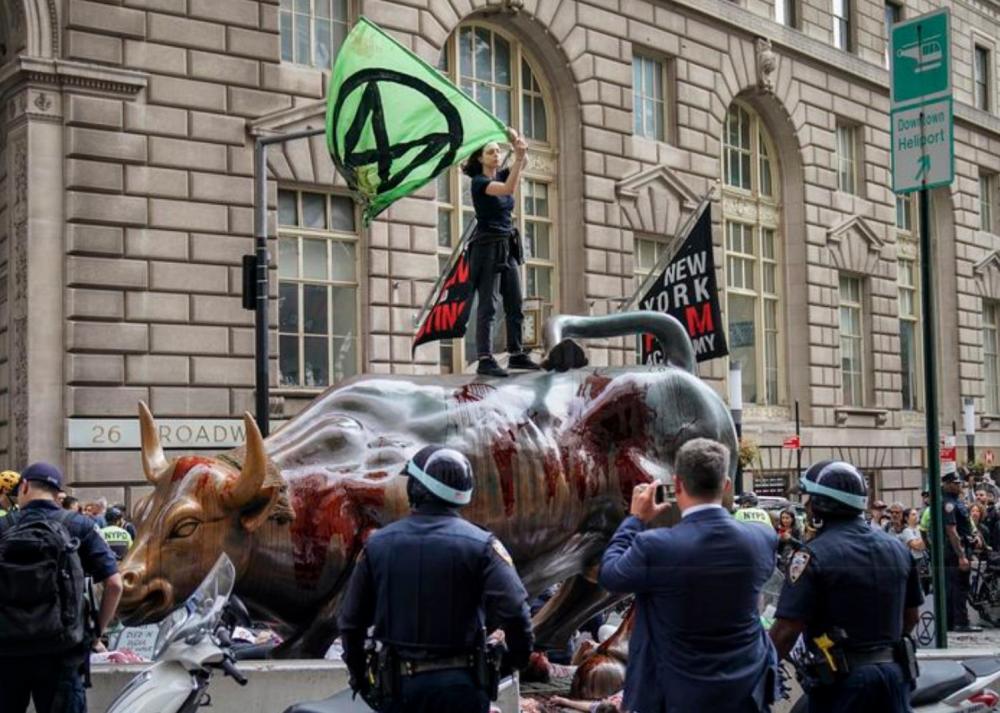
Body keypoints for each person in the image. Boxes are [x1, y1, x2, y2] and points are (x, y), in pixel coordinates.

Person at [338, 445, 533, 713]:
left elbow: (350, 623)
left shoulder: (377, 545)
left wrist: (359, 676)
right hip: (462, 689)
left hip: (398, 689)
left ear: (415, 488)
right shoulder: (483, 546)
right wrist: (514, 662)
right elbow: (516, 611)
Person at [599, 438, 779, 713]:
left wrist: (635, 520)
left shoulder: (656, 547)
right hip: (744, 694)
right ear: (726, 485)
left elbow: (610, 575)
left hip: (676, 697)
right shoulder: (762, 538)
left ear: (678, 484)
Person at [768, 460, 923, 713]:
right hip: (895, 679)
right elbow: (912, 617)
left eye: (810, 499)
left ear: (822, 504)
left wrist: (758, 671)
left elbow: (786, 630)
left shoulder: (811, 555)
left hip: (843, 686)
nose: (806, 506)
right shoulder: (897, 549)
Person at [0, 462, 123, 713]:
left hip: (7, 649)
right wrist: (96, 632)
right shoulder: (79, 525)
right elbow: (114, 584)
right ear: (58, 495)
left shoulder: (3, 527)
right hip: (62, 650)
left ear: (24, 486)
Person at [463, 130, 540, 378]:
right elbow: (508, 189)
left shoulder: (501, 174)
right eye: (491, 152)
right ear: (480, 158)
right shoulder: (479, 182)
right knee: (489, 303)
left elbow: (523, 163)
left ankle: (516, 352)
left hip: (507, 245)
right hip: (487, 247)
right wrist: (517, 158)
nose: (496, 155)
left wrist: (517, 143)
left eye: (498, 151)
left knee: (515, 301)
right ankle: (485, 357)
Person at [941, 471, 982, 632]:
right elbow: (951, 531)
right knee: (959, 587)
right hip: (955, 551)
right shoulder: (948, 503)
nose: (959, 486)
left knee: (958, 586)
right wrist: (962, 555)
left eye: (959, 483)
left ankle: (952, 621)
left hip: (963, 546)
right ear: (947, 484)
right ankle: (960, 621)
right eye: (955, 483)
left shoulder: (956, 501)